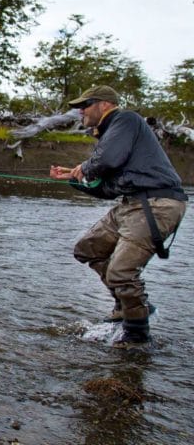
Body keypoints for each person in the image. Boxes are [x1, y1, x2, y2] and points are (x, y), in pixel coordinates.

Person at [50, 85, 187, 347]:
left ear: (104, 105)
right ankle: (128, 306)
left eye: (85, 105)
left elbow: (108, 160)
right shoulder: (113, 136)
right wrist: (75, 178)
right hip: (132, 204)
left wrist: (85, 167)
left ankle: (136, 337)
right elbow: (108, 190)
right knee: (88, 249)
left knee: (122, 272)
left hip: (157, 204)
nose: (80, 111)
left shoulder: (125, 119)